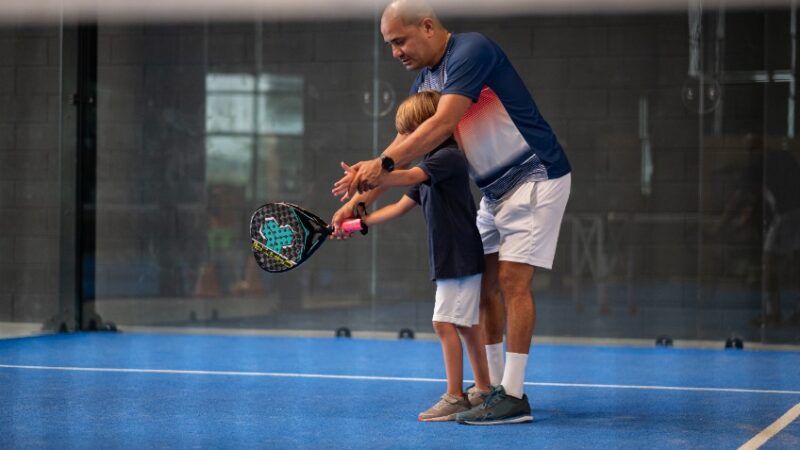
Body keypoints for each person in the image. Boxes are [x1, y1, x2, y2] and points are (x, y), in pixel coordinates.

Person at [331, 0, 571, 425]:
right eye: (389, 45)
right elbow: (404, 144)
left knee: (513, 280)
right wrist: (356, 202)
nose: (396, 52)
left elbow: (440, 126)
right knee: (481, 290)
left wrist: (381, 168)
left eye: (400, 41)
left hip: (537, 174)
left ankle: (513, 396)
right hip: (495, 193)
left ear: (427, 26)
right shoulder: (423, 82)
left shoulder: (471, 51)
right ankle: (492, 389)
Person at [334, 90, 492, 422]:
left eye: (412, 133)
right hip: (452, 256)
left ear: (427, 130)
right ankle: (484, 388)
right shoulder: (430, 165)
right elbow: (399, 206)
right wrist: (358, 222)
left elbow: (405, 176)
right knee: (464, 326)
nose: (409, 140)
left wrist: (369, 174)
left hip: (459, 255)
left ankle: (455, 397)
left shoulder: (447, 157)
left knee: (443, 323)